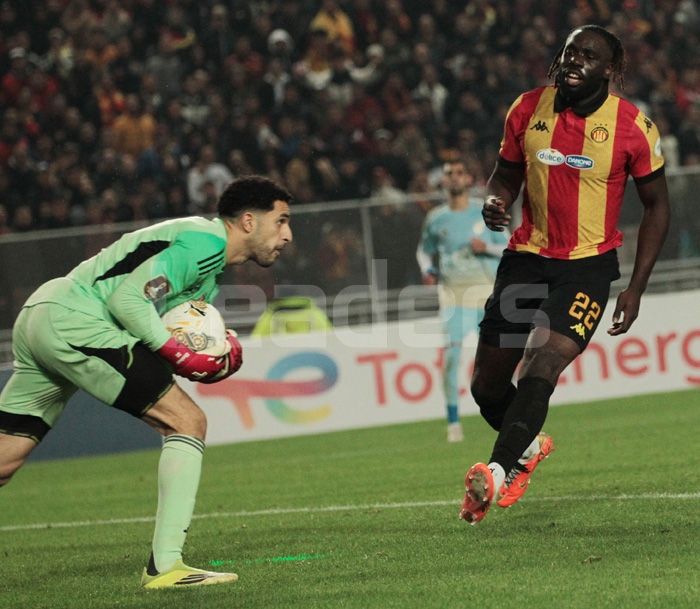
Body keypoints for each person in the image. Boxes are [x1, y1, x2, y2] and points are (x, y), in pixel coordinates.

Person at [0, 176, 293, 586]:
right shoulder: (204, 244)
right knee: (187, 421)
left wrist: (207, 357)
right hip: (77, 320)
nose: (287, 235)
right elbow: (127, 300)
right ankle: (165, 566)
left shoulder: (206, 268)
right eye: (281, 221)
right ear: (248, 221)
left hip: (46, 314)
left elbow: (154, 335)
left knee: (6, 457)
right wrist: (179, 354)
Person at [459, 25, 670, 524]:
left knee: (543, 362)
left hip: (588, 266)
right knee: (486, 388)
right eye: (570, 51)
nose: (574, 60)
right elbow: (506, 173)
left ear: (610, 70)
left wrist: (636, 287)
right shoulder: (526, 108)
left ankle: (497, 469)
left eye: (588, 55)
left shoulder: (633, 127)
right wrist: (496, 200)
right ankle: (529, 448)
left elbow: (658, 206)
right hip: (525, 260)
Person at [416, 159, 509, 442]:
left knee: (500, 362)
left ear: (469, 179)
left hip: (487, 296)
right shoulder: (436, 218)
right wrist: (427, 269)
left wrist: (486, 247)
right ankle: (453, 423)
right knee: (451, 359)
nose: (454, 177)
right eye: (449, 174)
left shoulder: (485, 211)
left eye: (459, 173)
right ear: (443, 181)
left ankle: (511, 415)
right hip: (454, 299)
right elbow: (423, 250)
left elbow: (509, 246)